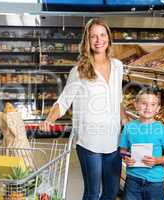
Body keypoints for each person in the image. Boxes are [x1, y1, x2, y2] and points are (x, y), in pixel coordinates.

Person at [40, 18, 129, 200]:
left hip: (113, 139)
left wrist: (126, 122)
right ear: (87, 41)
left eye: (102, 35)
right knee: (92, 192)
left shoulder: (118, 66)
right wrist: (50, 119)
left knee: (111, 192)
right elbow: (64, 101)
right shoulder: (79, 70)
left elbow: (117, 99)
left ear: (109, 38)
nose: (99, 40)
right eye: (93, 36)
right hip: (89, 141)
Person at [120, 88, 164, 200]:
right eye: (144, 103)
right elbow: (122, 150)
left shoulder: (163, 130)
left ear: (158, 108)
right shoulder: (129, 127)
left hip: (155, 181)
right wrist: (126, 158)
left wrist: (157, 160)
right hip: (133, 179)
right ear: (136, 105)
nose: (148, 108)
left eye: (153, 104)